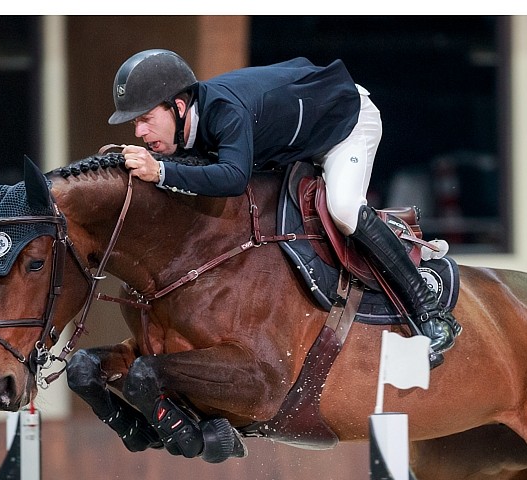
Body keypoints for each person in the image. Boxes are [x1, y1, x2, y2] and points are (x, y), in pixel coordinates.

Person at [108, 49, 460, 364]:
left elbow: (231, 178)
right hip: (296, 143)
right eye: (134, 122)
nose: (139, 131)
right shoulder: (188, 128)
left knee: (344, 209)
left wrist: (161, 171)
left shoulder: (225, 112)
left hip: (345, 124)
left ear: (179, 107)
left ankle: (429, 311)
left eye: (145, 119)